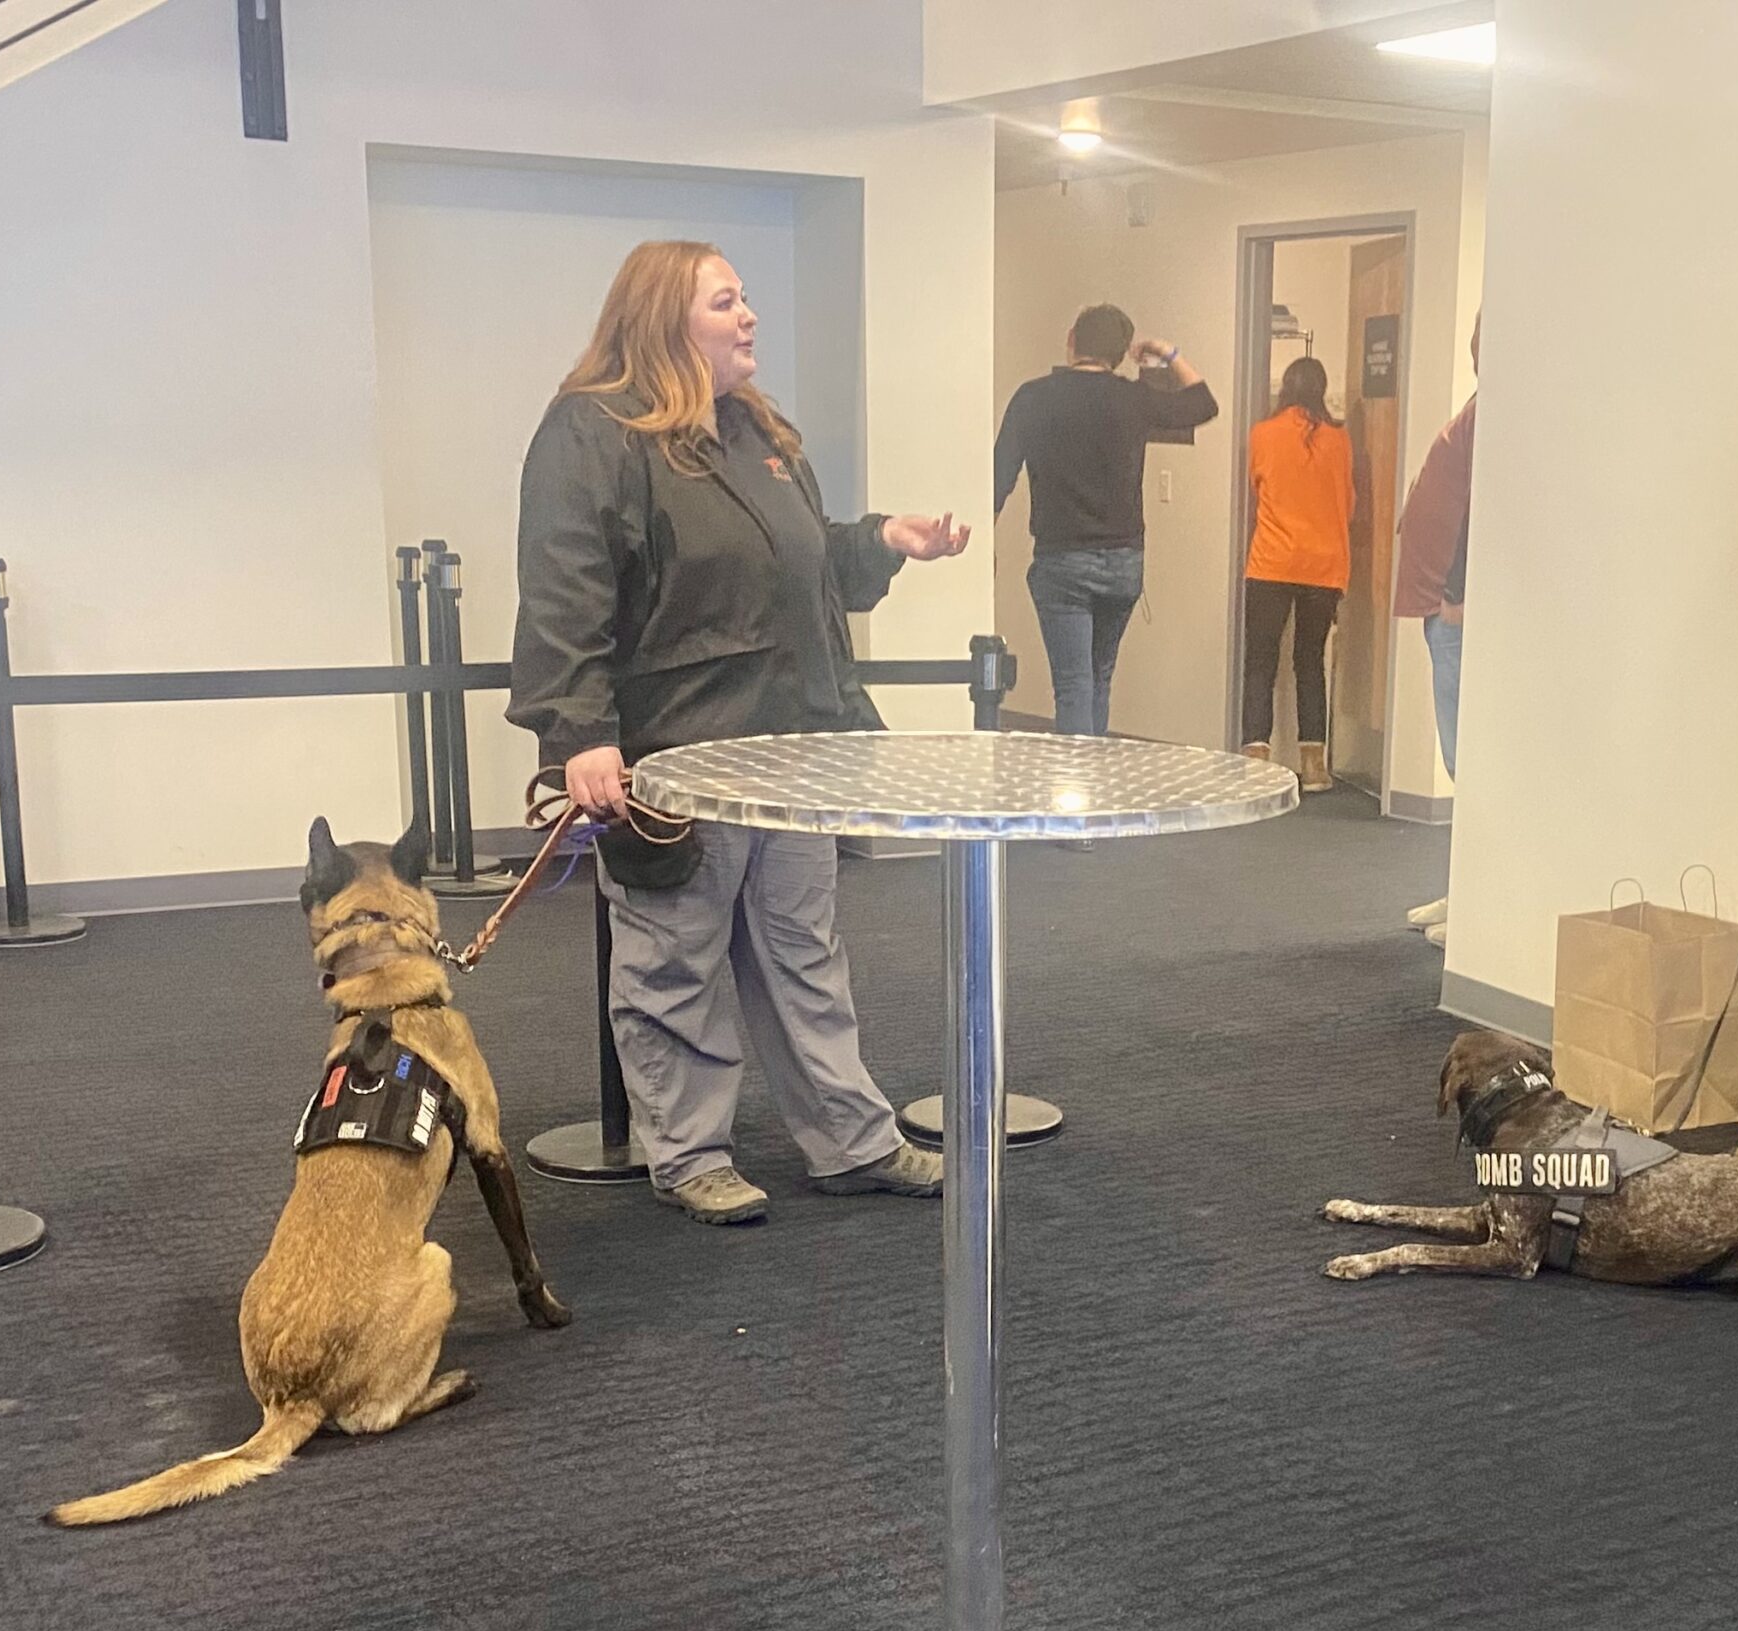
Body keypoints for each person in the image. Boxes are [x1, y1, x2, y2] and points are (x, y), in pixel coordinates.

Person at [507, 240, 973, 1225]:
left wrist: (879, 540)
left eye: (745, 298)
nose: (748, 315)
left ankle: (850, 1141)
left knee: (805, 952)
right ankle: (687, 1153)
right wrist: (579, 733)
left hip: (795, 746)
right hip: (679, 755)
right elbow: (564, 593)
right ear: (665, 319)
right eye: (726, 301)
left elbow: (795, 570)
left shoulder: (757, 431)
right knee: (673, 958)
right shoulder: (591, 433)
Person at [994, 304, 1218, 737]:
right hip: (1124, 562)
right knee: (1098, 678)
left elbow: (1000, 475)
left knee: (1073, 685)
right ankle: (1095, 786)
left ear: (1071, 339)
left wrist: (986, 545)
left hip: (1061, 561)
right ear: (1120, 354)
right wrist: (1169, 354)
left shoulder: (1033, 397)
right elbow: (1203, 404)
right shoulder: (1134, 398)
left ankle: (1079, 795)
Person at [1393, 314, 1479, 947]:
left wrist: (1455, 593)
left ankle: (1480, 906)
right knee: (1462, 761)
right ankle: (1469, 887)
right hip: (1438, 603)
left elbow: (1483, 505)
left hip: (1453, 610)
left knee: (1469, 761)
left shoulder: (1499, 414)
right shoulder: (1483, 407)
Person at [1240, 356, 1356, 792]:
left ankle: (1256, 760)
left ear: (1285, 388)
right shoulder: (1340, 441)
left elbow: (1257, 487)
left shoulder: (1263, 434)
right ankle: (1314, 766)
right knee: (1310, 662)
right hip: (1323, 567)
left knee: (1260, 662)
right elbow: (1349, 504)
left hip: (1271, 561)